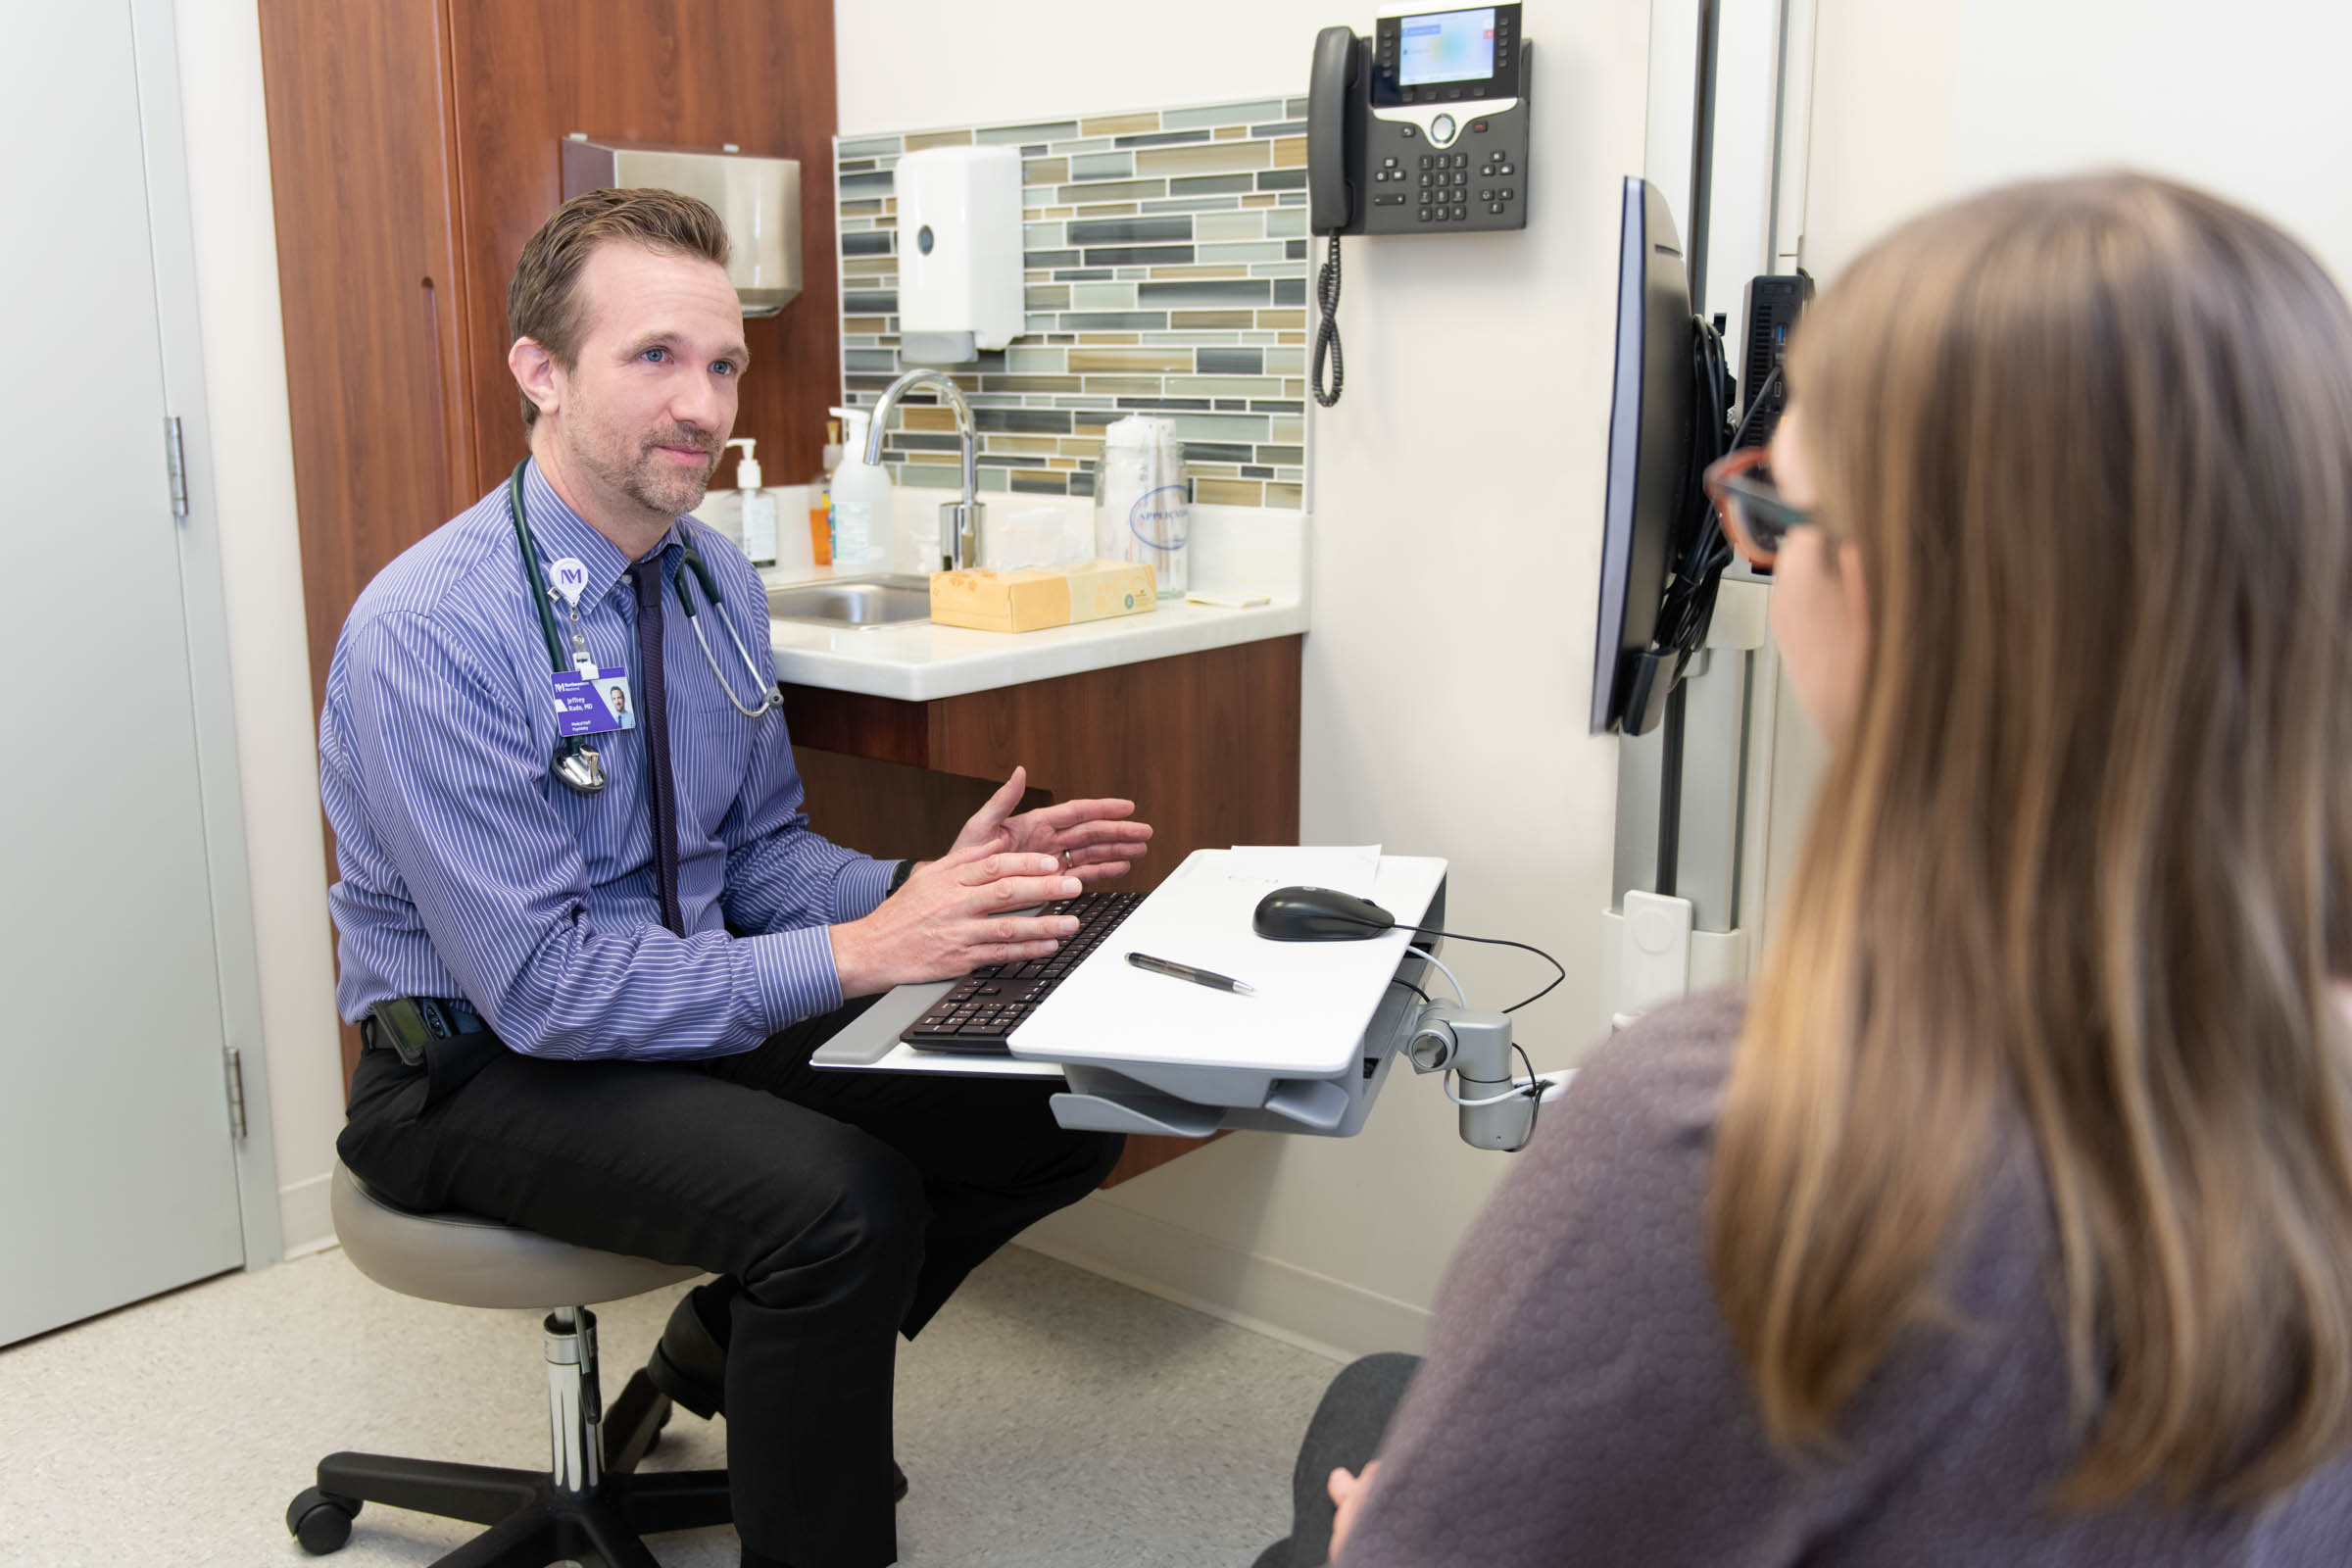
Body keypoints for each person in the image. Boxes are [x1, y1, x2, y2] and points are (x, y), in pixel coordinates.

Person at [1257, 172, 2352, 1565]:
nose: (1752, 543)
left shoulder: (1724, 1141)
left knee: (1347, 1451)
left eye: (1776, 510)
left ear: (1891, 593)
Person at [319, 187, 1149, 1568]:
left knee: (1052, 1102)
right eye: (654, 357)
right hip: (472, 1063)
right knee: (841, 1203)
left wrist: (929, 883)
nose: (702, 404)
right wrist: (873, 951)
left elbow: (758, 858)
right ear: (541, 370)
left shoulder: (712, 580)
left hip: (676, 1008)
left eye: (721, 365)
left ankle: (731, 1331)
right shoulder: (431, 631)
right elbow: (546, 990)